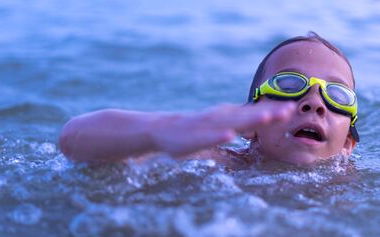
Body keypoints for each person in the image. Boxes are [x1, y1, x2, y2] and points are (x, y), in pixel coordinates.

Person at [58, 32, 359, 166]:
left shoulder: (357, 191)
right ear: (249, 125)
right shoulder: (221, 165)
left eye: (337, 94)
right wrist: (160, 132)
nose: (315, 102)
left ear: (348, 144)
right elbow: (74, 141)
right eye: (289, 84)